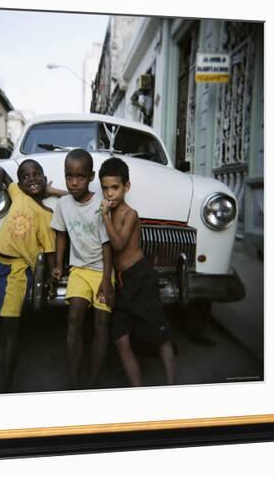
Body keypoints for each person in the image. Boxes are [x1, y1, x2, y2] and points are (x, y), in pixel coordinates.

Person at [0, 159, 65, 392]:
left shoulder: (46, 215)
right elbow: (0, 169)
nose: (32, 179)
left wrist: (49, 276)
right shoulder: (16, 192)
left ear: (45, 179)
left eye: (37, 174)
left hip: (17, 274)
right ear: (20, 183)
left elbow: (49, 252)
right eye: (25, 176)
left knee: (11, 332)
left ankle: (5, 383)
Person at [98, 156, 175, 386]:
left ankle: (172, 386)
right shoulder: (109, 211)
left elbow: (119, 244)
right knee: (120, 338)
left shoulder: (130, 214)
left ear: (126, 187)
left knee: (159, 334)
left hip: (141, 277)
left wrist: (104, 217)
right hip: (122, 281)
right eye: (105, 188)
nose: (109, 194)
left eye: (115, 188)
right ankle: (138, 391)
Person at [50, 149, 114, 389]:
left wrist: (107, 281)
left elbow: (107, 245)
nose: (74, 182)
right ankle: (75, 380)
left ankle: (95, 380)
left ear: (91, 177)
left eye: (80, 176)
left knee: (101, 322)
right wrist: (58, 264)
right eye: (69, 176)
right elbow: (61, 236)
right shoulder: (63, 204)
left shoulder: (100, 205)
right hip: (78, 270)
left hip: (102, 270)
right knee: (74, 316)